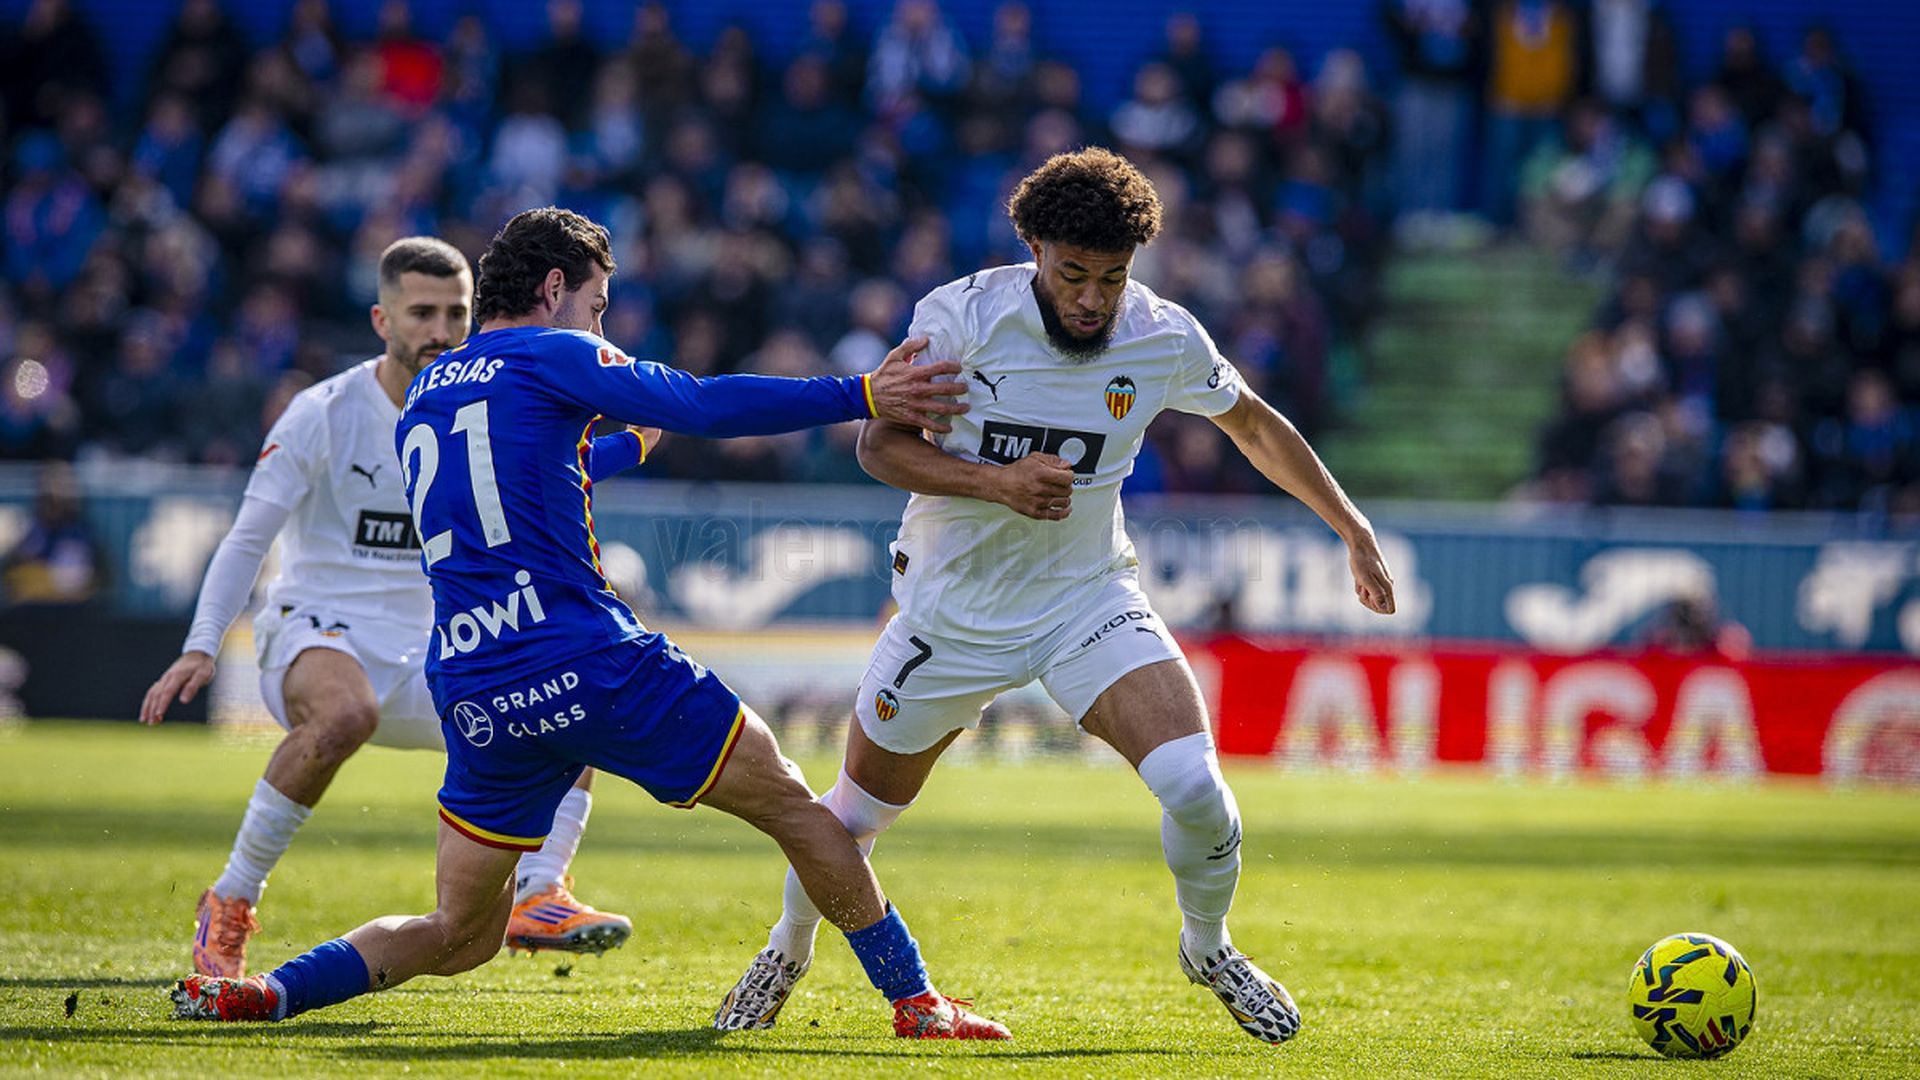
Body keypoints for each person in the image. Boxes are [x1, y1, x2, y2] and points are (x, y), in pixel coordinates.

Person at [169, 207, 1008, 1040]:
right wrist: (862, 391)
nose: (599, 324)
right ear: (556, 286)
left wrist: (622, 451)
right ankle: (916, 1001)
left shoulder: (427, 388)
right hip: (591, 661)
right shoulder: (554, 351)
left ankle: (268, 993)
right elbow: (701, 404)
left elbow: (526, 470)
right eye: (599, 305)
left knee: (460, 933)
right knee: (799, 811)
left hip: (477, 684)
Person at [714, 148, 1397, 1045]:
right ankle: (787, 947)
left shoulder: (1162, 334)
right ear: (1034, 248)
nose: (1090, 298)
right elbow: (878, 449)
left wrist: (1349, 526)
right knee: (853, 816)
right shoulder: (959, 319)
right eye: (1073, 273)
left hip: (1085, 600)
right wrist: (995, 482)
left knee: (1197, 786)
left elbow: (1253, 425)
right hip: (949, 617)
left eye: (1110, 278)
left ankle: (1207, 945)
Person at [141, 238, 639, 978]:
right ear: (382, 319)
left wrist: (634, 437)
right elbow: (249, 535)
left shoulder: (488, 405)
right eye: (422, 313)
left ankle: (542, 894)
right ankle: (232, 900)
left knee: (566, 705)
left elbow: (562, 480)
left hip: (434, 650)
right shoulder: (324, 411)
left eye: (455, 314)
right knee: (346, 715)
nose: (440, 330)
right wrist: (203, 643)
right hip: (317, 629)